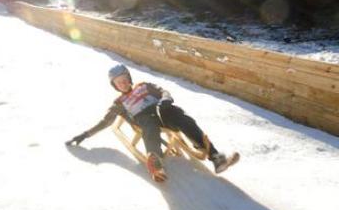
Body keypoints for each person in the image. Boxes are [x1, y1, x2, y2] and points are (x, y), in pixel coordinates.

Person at [66, 64, 240, 181]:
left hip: (161, 110)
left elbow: (163, 91)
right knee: (149, 125)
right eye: (119, 83)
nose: (123, 83)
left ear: (130, 78)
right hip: (143, 118)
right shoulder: (119, 103)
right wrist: (84, 135)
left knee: (182, 118)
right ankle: (155, 160)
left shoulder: (144, 86)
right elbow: (105, 122)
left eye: (125, 79)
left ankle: (216, 158)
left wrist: (166, 99)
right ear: (115, 86)